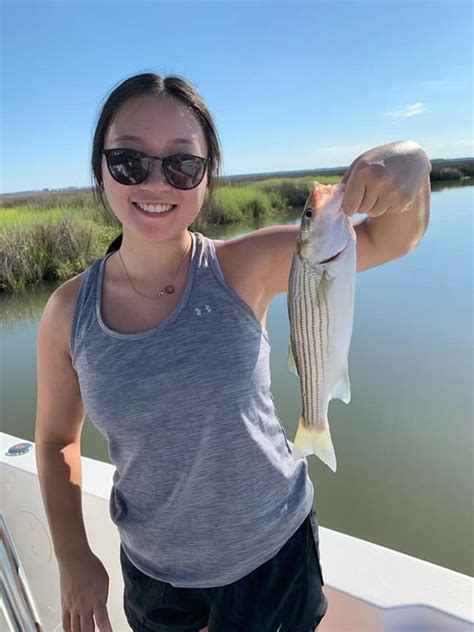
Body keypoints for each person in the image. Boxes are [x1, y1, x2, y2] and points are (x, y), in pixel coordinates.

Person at [35, 71, 431, 632]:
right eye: (129, 160)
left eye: (181, 164)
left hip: (274, 558)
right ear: (100, 167)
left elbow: (390, 239)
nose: (156, 182)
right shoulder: (66, 311)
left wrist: (413, 163)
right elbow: (54, 442)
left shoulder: (247, 264)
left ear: (206, 177)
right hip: (155, 576)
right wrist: (72, 555)